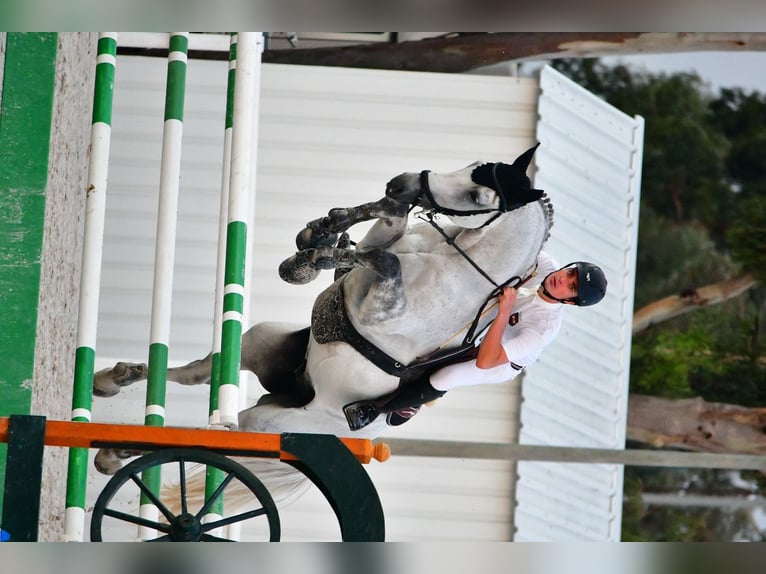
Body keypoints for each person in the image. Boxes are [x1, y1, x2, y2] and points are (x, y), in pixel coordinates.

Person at [343, 251, 608, 430]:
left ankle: (374, 411)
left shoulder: (544, 328)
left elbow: (486, 360)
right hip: (486, 321)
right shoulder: (544, 262)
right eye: (571, 273)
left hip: (499, 359)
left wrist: (505, 311)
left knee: (445, 377)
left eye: (570, 287)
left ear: (570, 301)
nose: (564, 279)